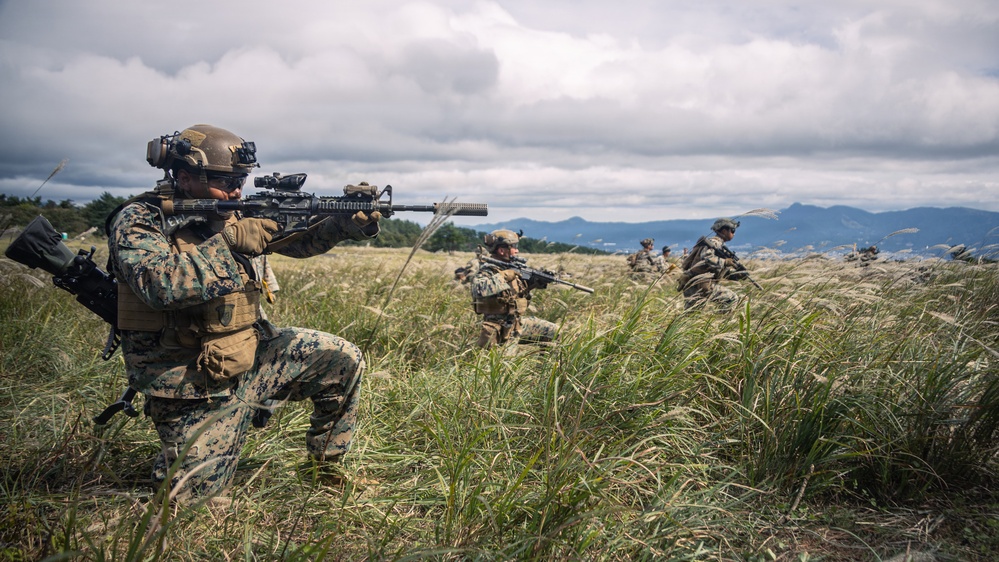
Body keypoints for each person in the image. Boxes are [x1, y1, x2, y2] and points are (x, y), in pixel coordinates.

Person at [106, 124, 381, 500]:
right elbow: (160, 285)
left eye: (241, 180)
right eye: (226, 181)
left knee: (342, 360)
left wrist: (341, 224)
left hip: (249, 354)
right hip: (188, 378)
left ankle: (326, 471)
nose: (237, 190)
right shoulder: (140, 220)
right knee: (193, 504)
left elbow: (296, 244)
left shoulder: (230, 212)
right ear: (185, 176)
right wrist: (230, 242)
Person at [470, 229, 556, 349]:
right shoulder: (488, 270)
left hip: (517, 324)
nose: (517, 250)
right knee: (506, 365)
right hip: (499, 330)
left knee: (554, 331)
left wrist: (535, 282)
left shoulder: (513, 268)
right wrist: (504, 276)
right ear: (501, 250)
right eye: (514, 246)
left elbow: (518, 293)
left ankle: (543, 365)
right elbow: (478, 289)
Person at [677, 217, 746, 311]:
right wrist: (725, 262)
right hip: (699, 283)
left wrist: (734, 275)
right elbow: (706, 257)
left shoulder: (718, 245)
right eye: (732, 230)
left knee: (691, 315)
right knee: (732, 299)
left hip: (696, 283)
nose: (734, 234)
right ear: (724, 230)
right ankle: (722, 323)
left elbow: (713, 269)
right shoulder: (714, 243)